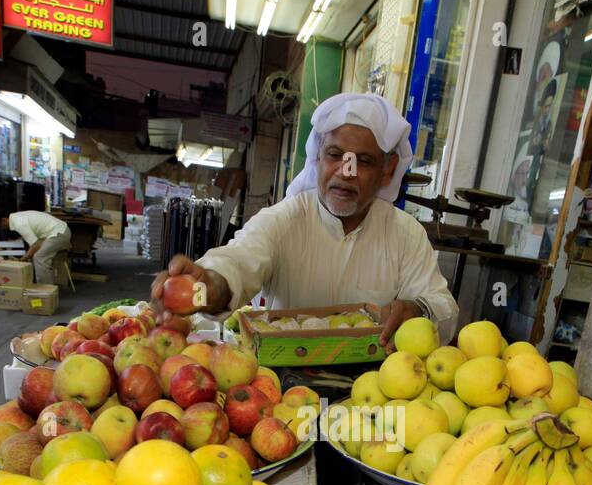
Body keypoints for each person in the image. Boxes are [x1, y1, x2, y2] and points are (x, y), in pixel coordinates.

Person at [151, 93, 460, 346]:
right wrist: (206, 288)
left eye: (363, 161)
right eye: (334, 155)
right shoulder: (284, 220)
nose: (344, 172)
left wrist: (418, 310)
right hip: (281, 389)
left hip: (377, 393)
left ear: (388, 170)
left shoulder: (406, 234)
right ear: (317, 158)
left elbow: (444, 309)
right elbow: (237, 261)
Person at [0, 211, 71, 286]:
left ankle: (46, 290)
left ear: (4, 220)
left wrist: (23, 259)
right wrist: (28, 256)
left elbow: (35, 245)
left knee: (39, 257)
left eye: (0, 225)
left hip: (59, 233)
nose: (2, 228)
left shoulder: (19, 224)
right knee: (36, 255)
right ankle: (42, 285)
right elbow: (34, 243)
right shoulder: (17, 217)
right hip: (55, 232)